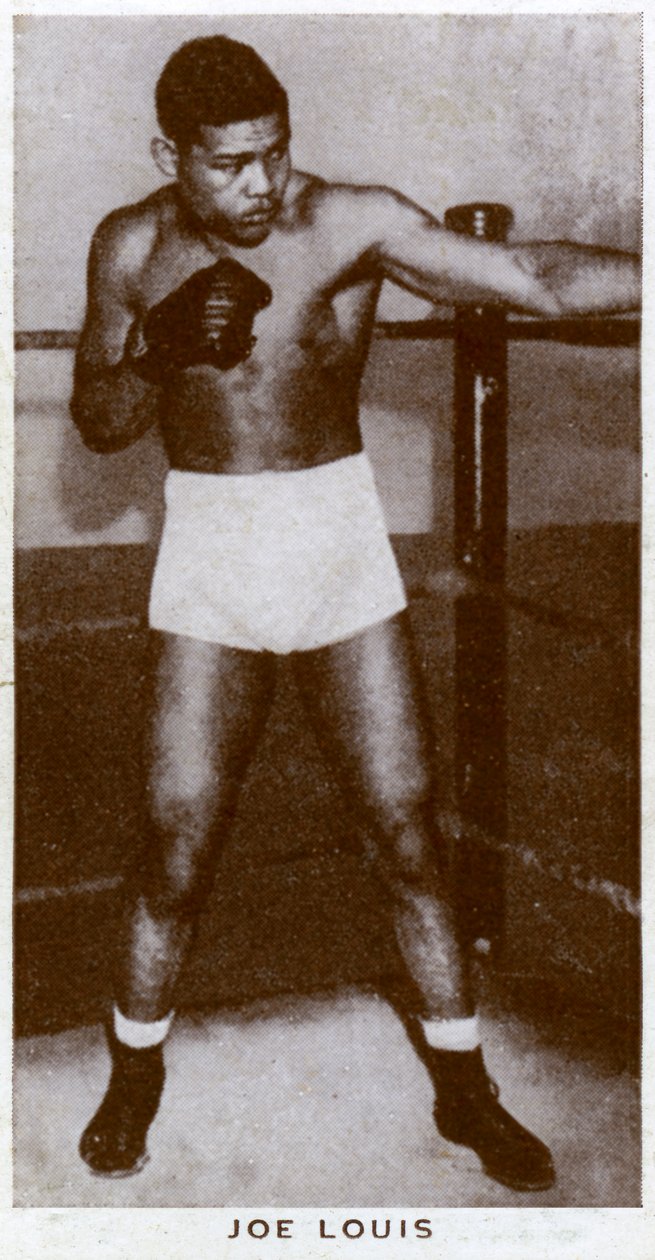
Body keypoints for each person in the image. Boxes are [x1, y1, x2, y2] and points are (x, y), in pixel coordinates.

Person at [70, 34, 639, 1191]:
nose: (260, 184)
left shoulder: (348, 222)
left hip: (335, 537)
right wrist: (161, 349)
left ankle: (463, 1085)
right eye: (227, 164)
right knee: (176, 841)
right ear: (169, 156)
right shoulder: (130, 245)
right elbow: (101, 419)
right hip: (212, 546)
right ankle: (133, 1071)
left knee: (406, 830)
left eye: (274, 153)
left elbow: (531, 278)